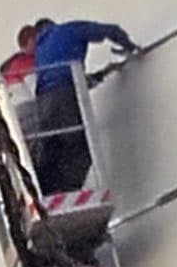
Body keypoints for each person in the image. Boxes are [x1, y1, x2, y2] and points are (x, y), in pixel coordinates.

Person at [29, 15, 137, 194]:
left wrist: (102, 74)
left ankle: (43, 194)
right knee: (80, 148)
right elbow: (111, 30)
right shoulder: (69, 30)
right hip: (65, 98)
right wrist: (129, 47)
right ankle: (66, 192)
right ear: (52, 24)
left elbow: (64, 80)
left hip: (44, 103)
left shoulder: (40, 52)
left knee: (53, 149)